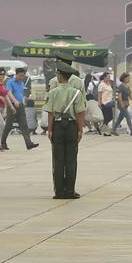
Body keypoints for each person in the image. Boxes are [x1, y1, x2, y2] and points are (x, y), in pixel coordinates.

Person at [46, 62, 87, 199]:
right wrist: (80, 130)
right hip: (71, 127)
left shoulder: (53, 92)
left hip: (57, 126)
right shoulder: (76, 93)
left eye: (58, 74)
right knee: (71, 160)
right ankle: (70, 191)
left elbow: (50, 113)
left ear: (61, 76)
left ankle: (59, 191)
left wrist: (50, 130)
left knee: (58, 160)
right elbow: (80, 113)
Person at [1, 67, 38, 150]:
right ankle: (3, 142)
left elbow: (20, 94)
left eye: (22, 76)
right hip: (12, 106)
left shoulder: (21, 83)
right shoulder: (10, 82)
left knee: (24, 125)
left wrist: (23, 100)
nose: (21, 78)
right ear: (16, 74)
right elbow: (9, 93)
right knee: (8, 125)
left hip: (20, 106)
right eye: (20, 76)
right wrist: (15, 101)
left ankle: (29, 143)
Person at [97, 72, 116, 137]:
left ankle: (105, 131)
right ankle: (102, 127)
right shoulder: (101, 85)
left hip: (110, 102)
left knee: (109, 117)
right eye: (108, 77)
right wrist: (99, 103)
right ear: (104, 77)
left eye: (109, 77)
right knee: (108, 117)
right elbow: (99, 94)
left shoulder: (109, 84)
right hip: (104, 103)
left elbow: (111, 92)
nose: (109, 78)